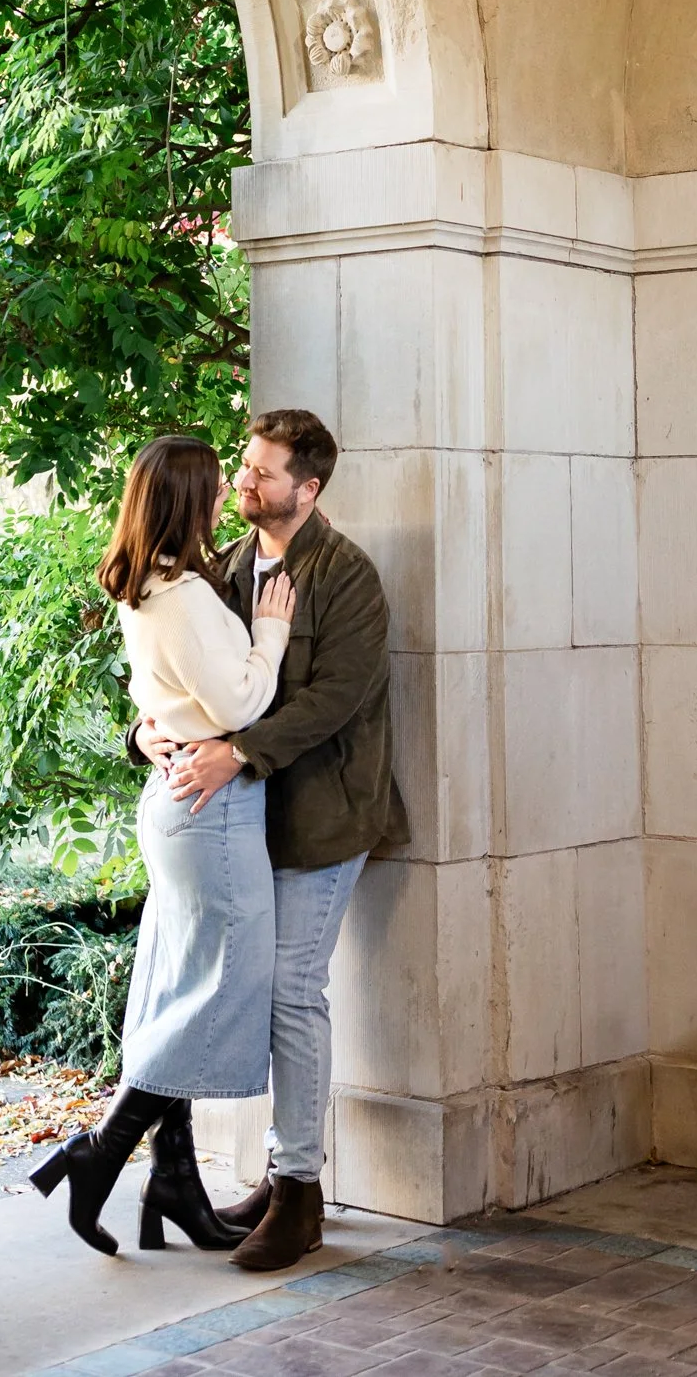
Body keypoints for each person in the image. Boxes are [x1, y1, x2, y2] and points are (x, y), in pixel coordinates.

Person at [135, 407, 407, 1274]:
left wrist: (239, 753)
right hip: (238, 820)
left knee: (292, 991)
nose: (242, 484)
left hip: (323, 816)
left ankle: (299, 1192)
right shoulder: (220, 567)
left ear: (309, 487)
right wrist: (145, 731)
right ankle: (260, 1172)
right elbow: (182, 672)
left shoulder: (347, 574)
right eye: (242, 470)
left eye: (260, 473)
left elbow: (338, 698)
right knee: (243, 989)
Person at [30, 434, 297, 1257]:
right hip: (210, 810)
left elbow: (170, 701)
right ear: (186, 501)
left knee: (181, 985)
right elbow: (240, 701)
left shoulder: (151, 586)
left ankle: (173, 1183)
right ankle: (98, 1153)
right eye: (215, 488)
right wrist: (270, 631)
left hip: (182, 799)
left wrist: (153, 732)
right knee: (216, 991)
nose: (225, 498)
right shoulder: (180, 597)